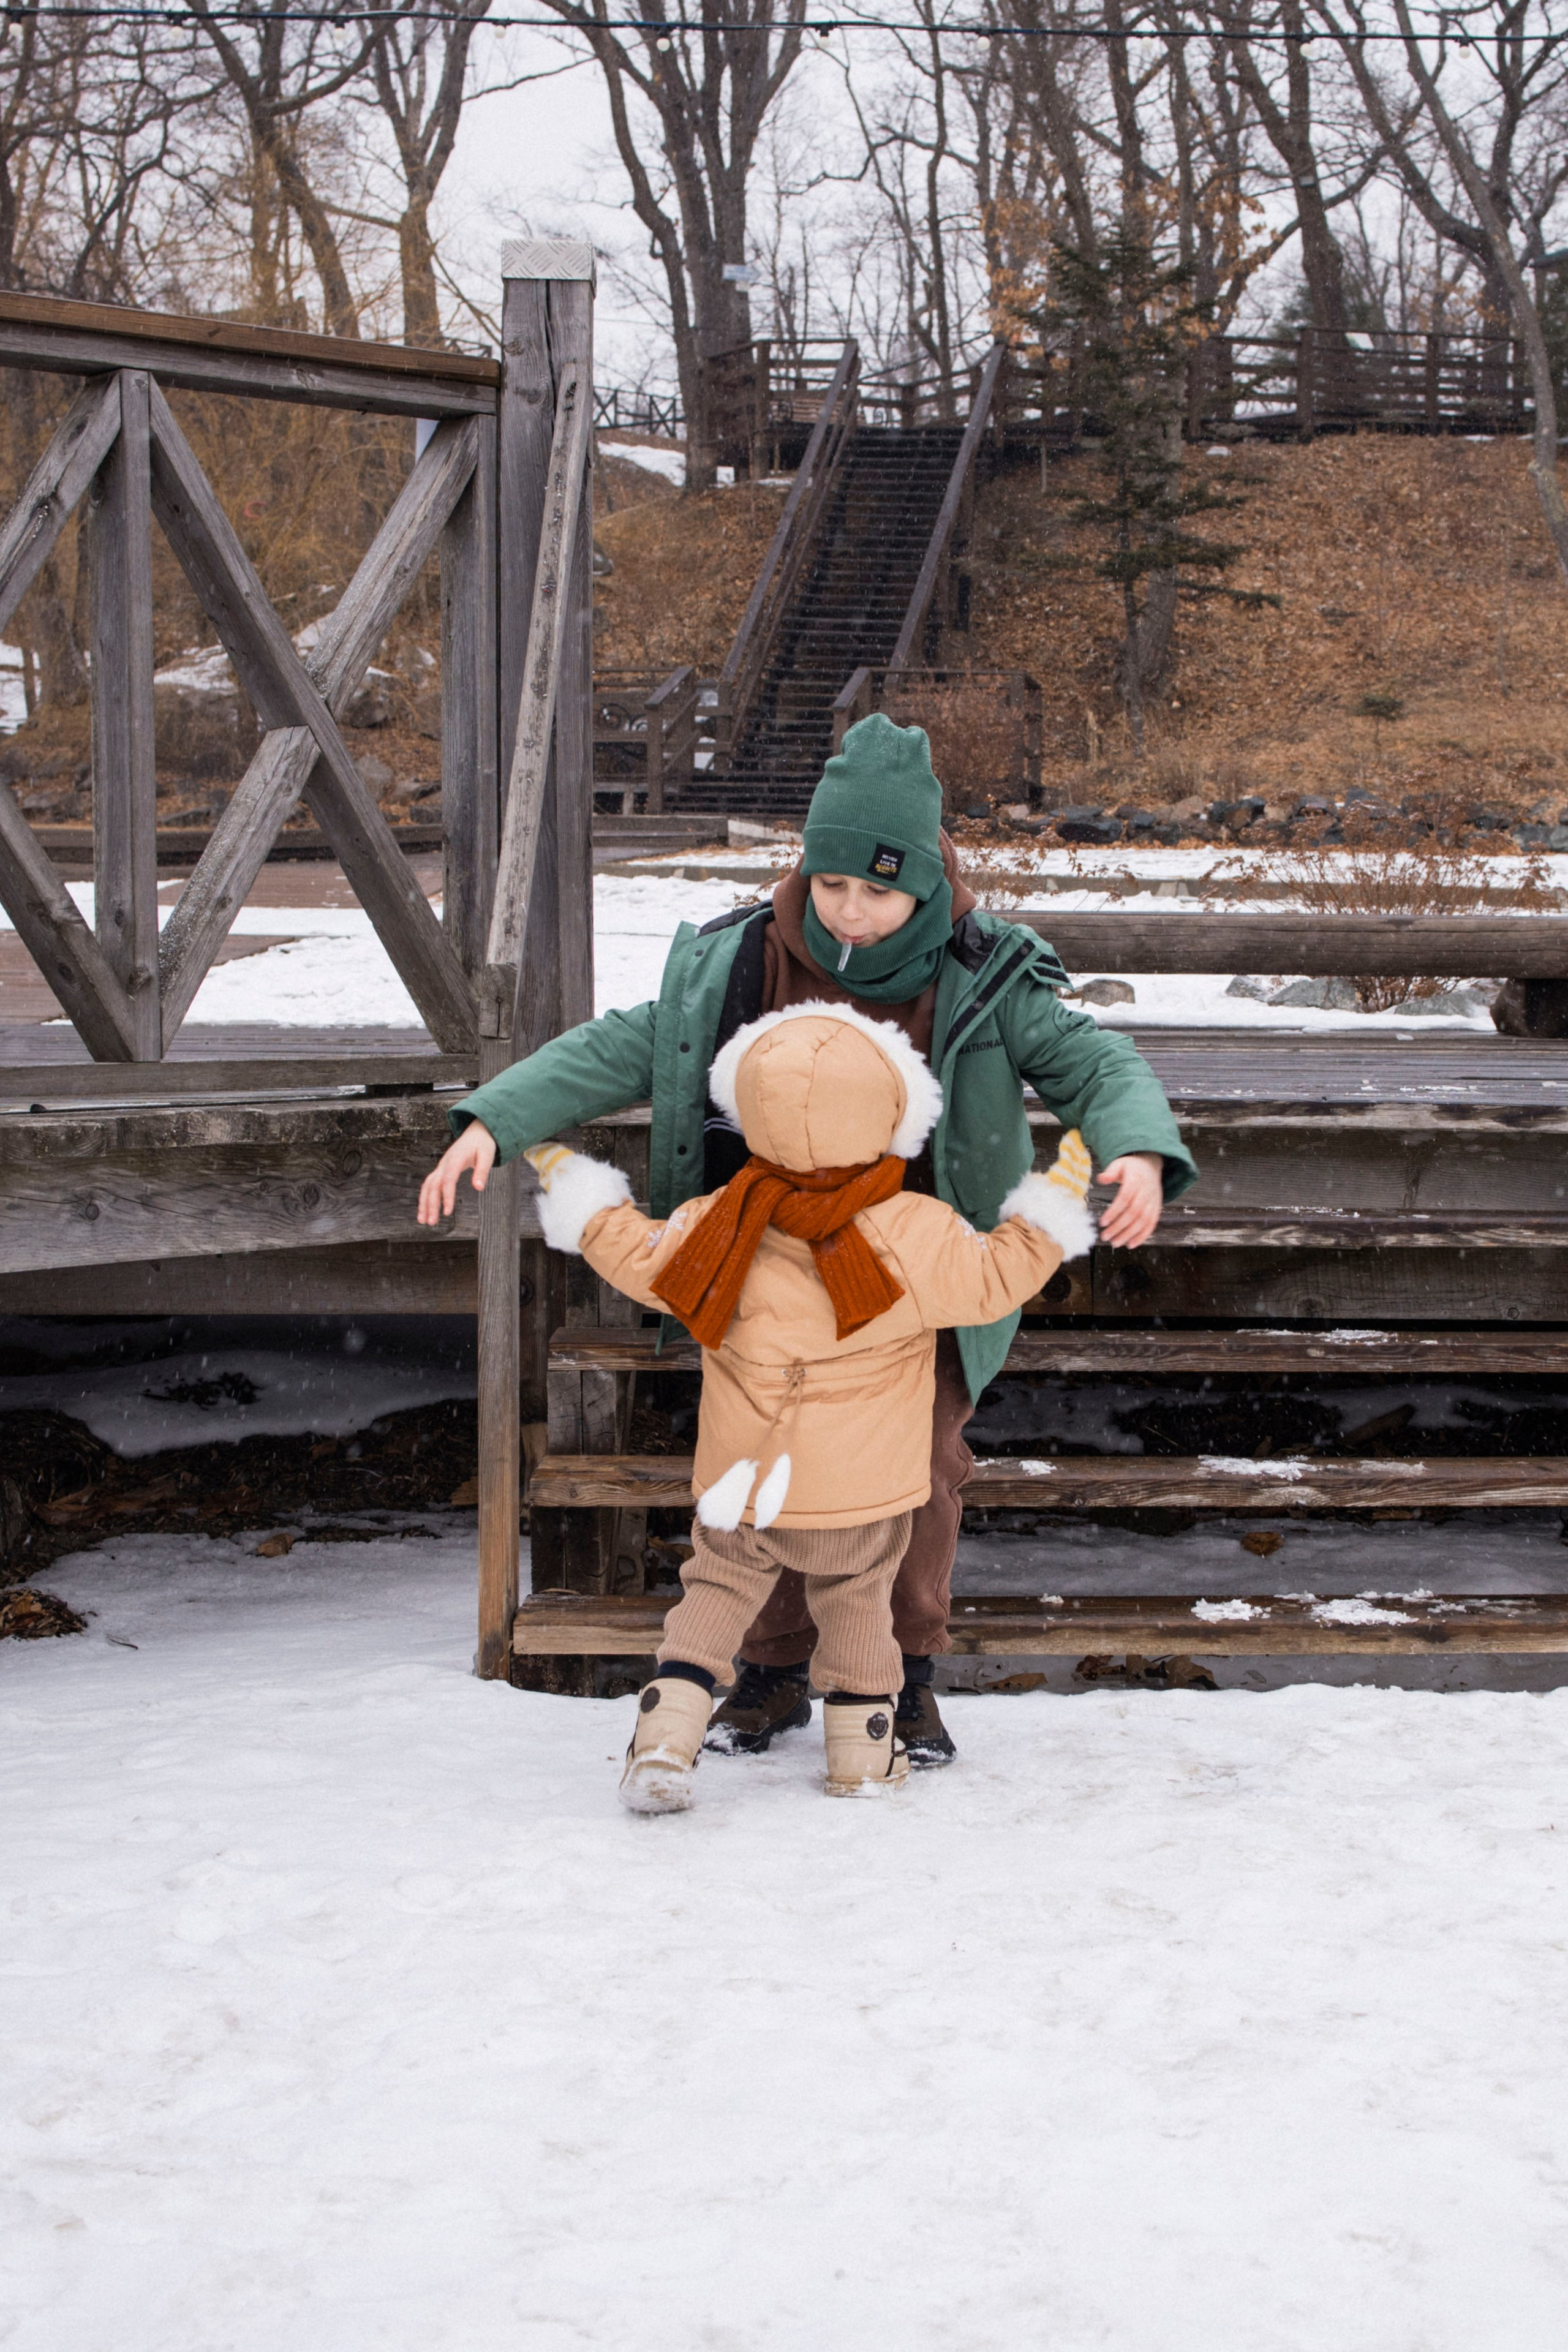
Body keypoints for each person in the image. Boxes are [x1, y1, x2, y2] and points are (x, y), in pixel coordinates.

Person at [417, 712, 1197, 1761]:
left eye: (879, 890)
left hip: (919, 1268)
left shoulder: (985, 973)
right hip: (768, 1256)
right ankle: (774, 1668)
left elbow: (1095, 1064)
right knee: (761, 1458)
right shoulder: (742, 959)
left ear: (927, 885)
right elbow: (624, 1046)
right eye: (832, 884)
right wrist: (497, 1119)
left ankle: (901, 1677)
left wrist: (1136, 1147)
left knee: (918, 1469)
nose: (852, 911)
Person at [521, 1002, 1099, 1809]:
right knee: (859, 1605)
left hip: (745, 1483)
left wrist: (577, 1190)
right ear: (892, 1112)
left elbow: (635, 1254)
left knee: (714, 1596)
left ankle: (663, 1739)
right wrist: (1057, 1198)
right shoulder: (917, 1232)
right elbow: (998, 1276)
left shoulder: (719, 1223)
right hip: (862, 1488)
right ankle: (862, 1757)